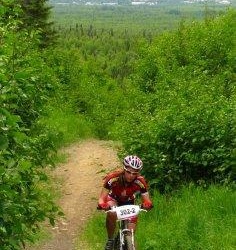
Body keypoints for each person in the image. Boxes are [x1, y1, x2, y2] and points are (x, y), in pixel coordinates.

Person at [97, 155, 153, 250]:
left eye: (134, 173)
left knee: (130, 234)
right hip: (114, 199)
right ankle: (110, 240)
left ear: (138, 173)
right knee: (111, 212)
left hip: (129, 202)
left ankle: (128, 244)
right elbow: (102, 198)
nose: (131, 175)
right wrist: (102, 204)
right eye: (128, 172)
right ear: (124, 169)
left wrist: (147, 204)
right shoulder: (113, 178)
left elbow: (147, 199)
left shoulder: (140, 181)